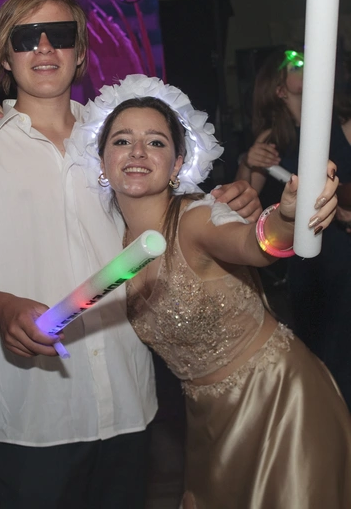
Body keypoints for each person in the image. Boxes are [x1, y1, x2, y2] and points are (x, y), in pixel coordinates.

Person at [0, 0, 261, 509]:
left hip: (126, 393)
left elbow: (174, 214)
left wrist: (232, 200)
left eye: (60, 35)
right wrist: (3, 310)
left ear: (80, 52)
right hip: (30, 410)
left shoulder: (114, 138)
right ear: (5, 54)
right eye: (26, 37)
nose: (44, 47)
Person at [92, 75, 351, 508]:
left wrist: (287, 217)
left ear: (177, 164)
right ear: (102, 161)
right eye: (122, 141)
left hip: (279, 399)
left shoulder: (195, 219)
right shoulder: (113, 248)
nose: (137, 152)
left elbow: (253, 244)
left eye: (155, 142)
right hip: (207, 422)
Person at [236, 47, 351, 407]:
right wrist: (248, 162)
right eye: (295, 64)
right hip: (307, 258)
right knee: (317, 349)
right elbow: (242, 202)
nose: (306, 64)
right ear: (279, 88)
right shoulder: (272, 140)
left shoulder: (344, 125)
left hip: (345, 248)